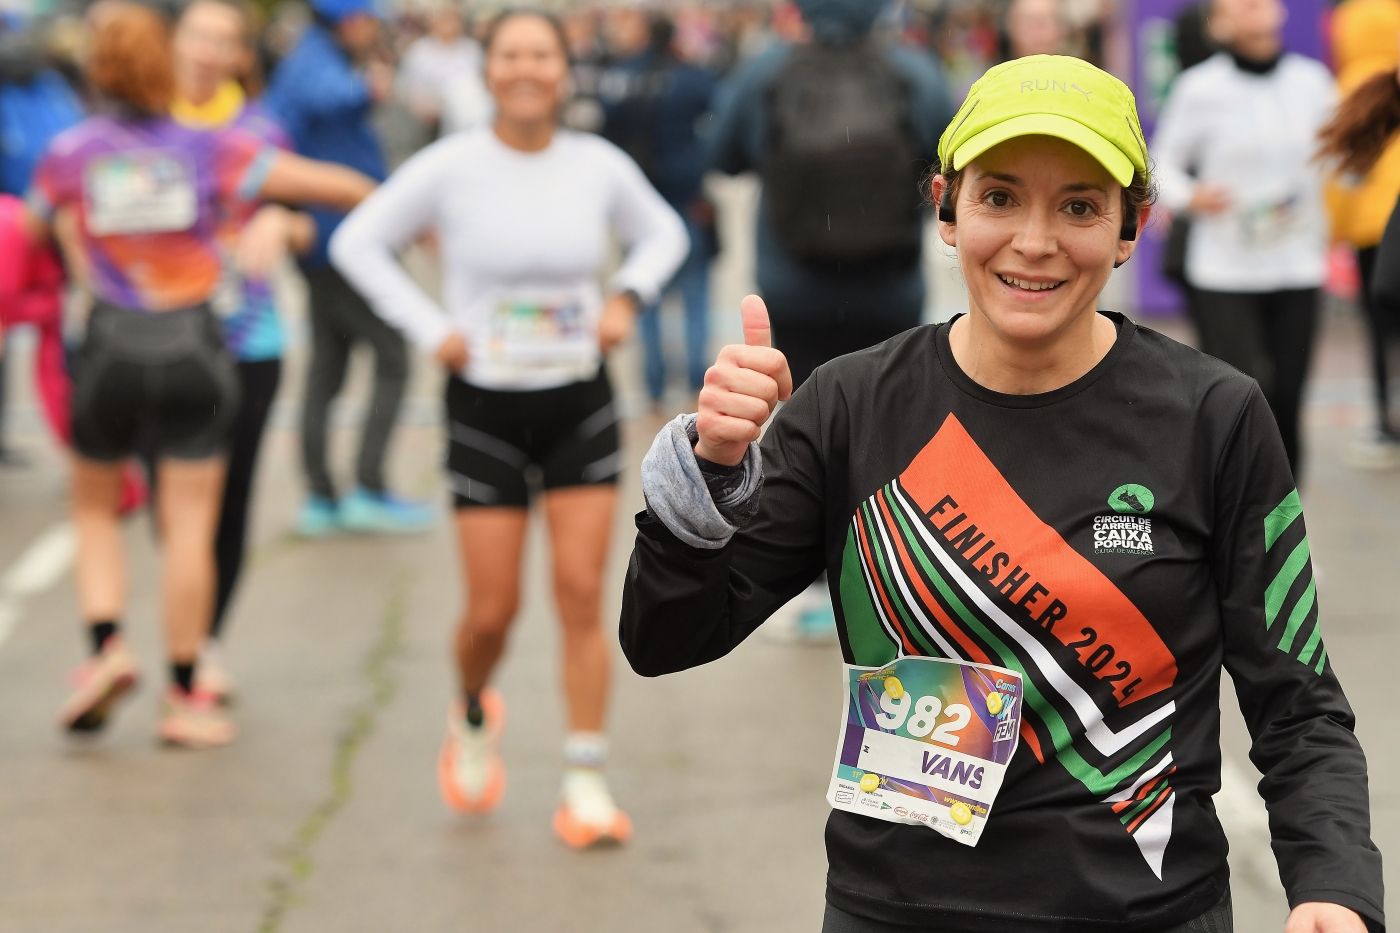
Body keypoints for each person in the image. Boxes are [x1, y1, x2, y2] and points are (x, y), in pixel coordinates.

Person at [621, 53, 1384, 933]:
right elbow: (664, 636)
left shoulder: (1214, 415)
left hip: (1148, 912)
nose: (1034, 240)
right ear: (946, 207)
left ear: (1131, 228)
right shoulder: (851, 405)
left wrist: (1333, 883)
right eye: (1000, 197)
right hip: (895, 911)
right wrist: (711, 471)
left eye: (1080, 206)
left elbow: (1298, 701)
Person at [329, 8, 686, 846]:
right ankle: (471, 711)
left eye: (543, 55)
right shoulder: (450, 166)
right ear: (486, 70)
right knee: (492, 612)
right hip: (484, 403)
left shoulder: (596, 164)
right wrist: (433, 331)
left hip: (578, 400)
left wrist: (626, 295)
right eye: (511, 55)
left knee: (579, 593)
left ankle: (586, 776)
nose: (527, 69)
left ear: (564, 70)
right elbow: (358, 242)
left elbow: (663, 231)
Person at [27, 1, 377, 748]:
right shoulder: (215, 149)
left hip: (109, 350)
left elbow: (29, 227)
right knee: (193, 524)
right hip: (198, 350)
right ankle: (186, 691)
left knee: (96, 512)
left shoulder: (68, 153)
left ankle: (106, 646)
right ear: (167, 65)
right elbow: (342, 187)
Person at [708, 0, 953, 639]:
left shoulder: (765, 73)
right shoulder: (916, 73)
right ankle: (896, 574)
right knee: (892, 417)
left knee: (809, 419)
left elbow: (725, 153)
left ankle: (813, 580)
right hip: (888, 282)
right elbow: (950, 161)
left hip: (795, 280)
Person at [169, 0, 318, 700]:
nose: (207, 51)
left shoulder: (259, 130)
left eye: (223, 41)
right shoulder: (141, 123)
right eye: (198, 35)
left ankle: (203, 645)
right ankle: (185, 632)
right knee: (170, 508)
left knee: (226, 504)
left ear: (240, 56)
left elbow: (309, 222)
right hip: (155, 344)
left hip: (247, 345)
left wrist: (283, 222)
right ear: (175, 42)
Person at [265, 0, 433, 537]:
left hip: (333, 241)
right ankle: (368, 488)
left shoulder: (319, 53)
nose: (371, 29)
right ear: (344, 20)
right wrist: (368, 87)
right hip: (339, 243)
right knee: (392, 357)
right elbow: (318, 98)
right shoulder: (314, 59)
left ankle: (324, 496)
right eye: (365, 19)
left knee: (329, 365)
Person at [1151, 0, 1336, 481]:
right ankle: (1233, 514)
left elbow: (1344, 158)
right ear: (1219, 20)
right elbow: (1159, 164)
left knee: (1290, 399)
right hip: (1225, 267)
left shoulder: (1312, 82)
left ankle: (1288, 523)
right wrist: (1194, 195)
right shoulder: (1200, 88)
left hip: (1297, 263)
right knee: (1235, 398)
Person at [599, 7, 718, 413]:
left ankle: (651, 391)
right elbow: (716, 130)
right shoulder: (693, 78)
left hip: (639, 202)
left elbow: (605, 129)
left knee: (644, 295)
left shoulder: (620, 77)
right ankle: (696, 386)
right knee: (695, 296)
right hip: (687, 197)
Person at [1321, 0, 1400, 468]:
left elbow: (1343, 178)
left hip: (1373, 232)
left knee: (1378, 329)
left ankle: (1382, 424)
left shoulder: (1354, 89)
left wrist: (1336, 231)